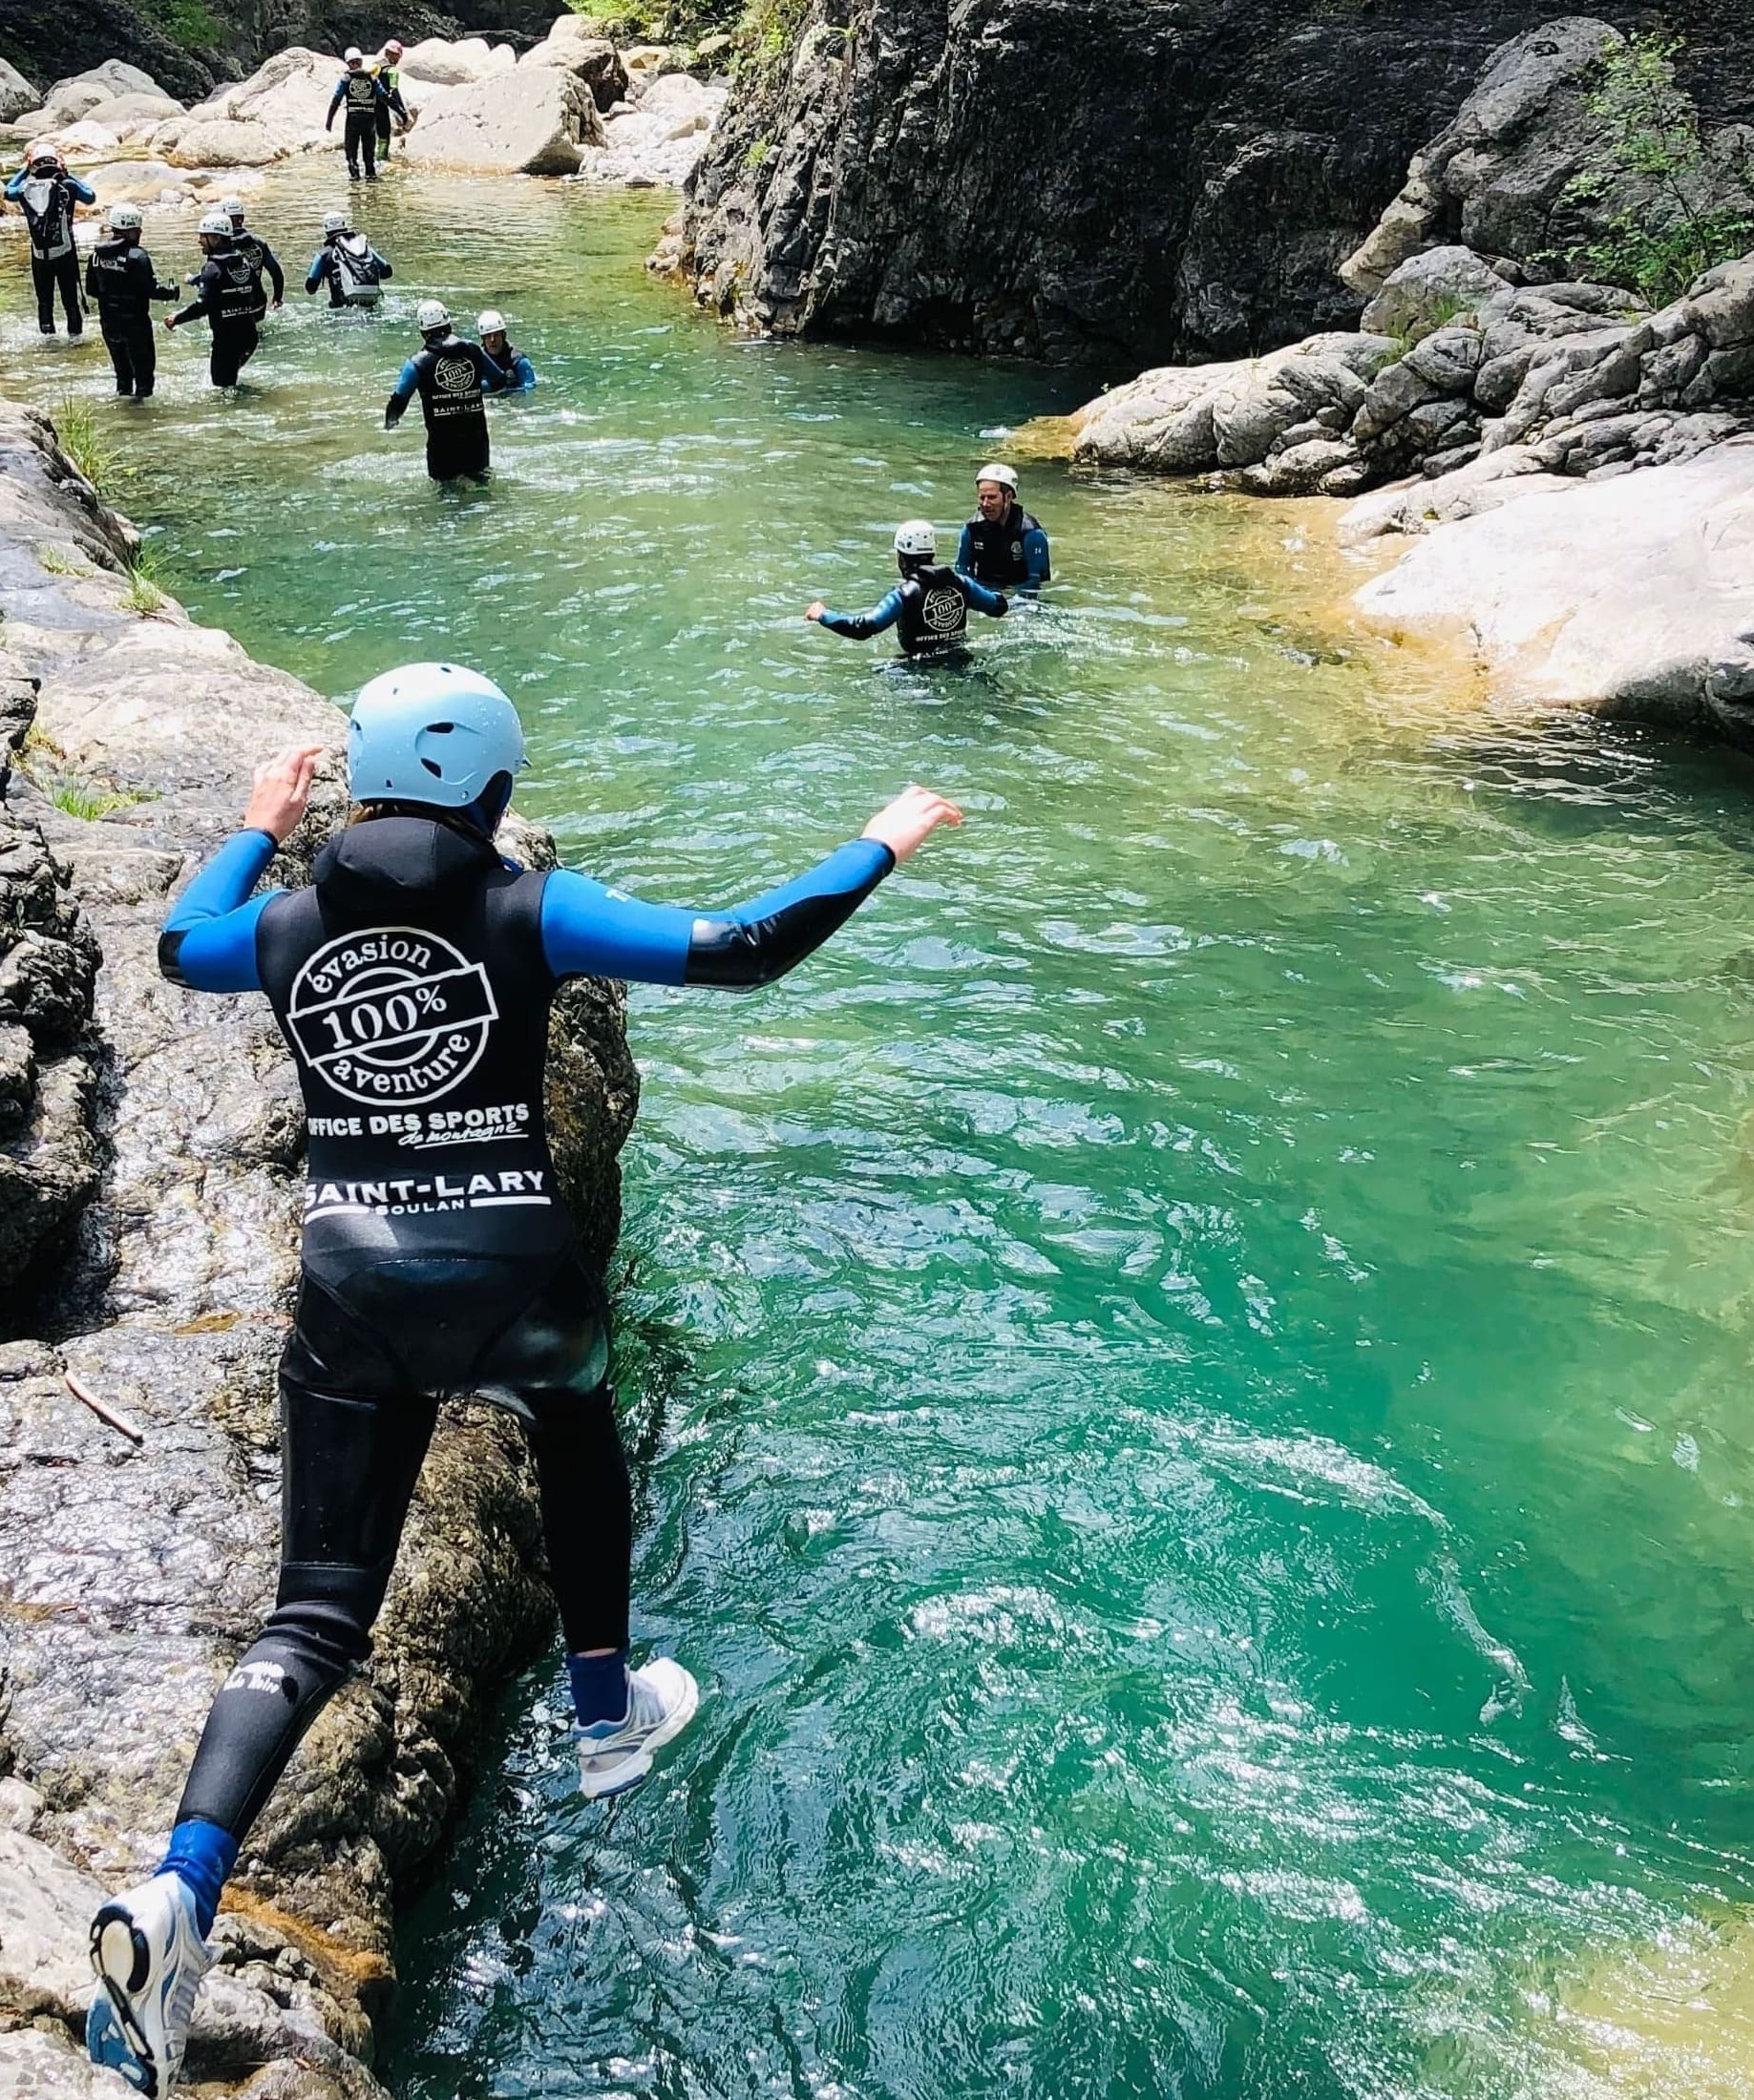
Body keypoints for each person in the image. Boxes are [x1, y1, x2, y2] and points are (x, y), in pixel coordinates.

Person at [79, 663, 963, 2098]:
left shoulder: (289, 923)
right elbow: (741, 948)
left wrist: (255, 822)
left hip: (352, 1284)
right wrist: (880, 840)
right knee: (570, 1419)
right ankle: (606, 1708)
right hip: (516, 1277)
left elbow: (182, 946)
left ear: (358, 786)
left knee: (313, 1615)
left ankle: (181, 1887)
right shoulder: (527, 908)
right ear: (491, 791)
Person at [806, 520, 1009, 660]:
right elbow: (998, 606)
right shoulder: (962, 584)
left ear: (901, 558)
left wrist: (823, 615)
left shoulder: (903, 595)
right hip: (961, 661)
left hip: (915, 669)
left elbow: (863, 627)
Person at [385, 299, 516, 483]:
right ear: (448, 324)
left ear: (423, 331)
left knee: (447, 498)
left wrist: (389, 424)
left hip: (442, 447)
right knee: (481, 490)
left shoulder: (417, 363)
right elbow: (500, 381)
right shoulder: (473, 350)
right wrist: (472, 390)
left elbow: (398, 403)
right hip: (477, 442)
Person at [164, 209, 268, 388]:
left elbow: (202, 306)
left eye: (203, 236)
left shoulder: (211, 268)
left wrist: (177, 318)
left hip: (226, 341)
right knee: (230, 381)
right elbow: (260, 298)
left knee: (222, 390)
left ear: (216, 239)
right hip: (250, 337)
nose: (199, 241)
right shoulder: (245, 263)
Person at [84, 203, 177, 399]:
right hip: (135, 323)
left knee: (122, 374)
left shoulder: (96, 256)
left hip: (109, 323)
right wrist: (170, 293)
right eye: (138, 230)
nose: (140, 233)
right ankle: (142, 417)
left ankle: (125, 411)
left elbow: (91, 290)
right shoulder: (138, 256)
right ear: (131, 230)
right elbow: (150, 290)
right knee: (144, 376)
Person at [6, 142, 95, 337]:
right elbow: (90, 196)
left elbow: (8, 191)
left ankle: (48, 340)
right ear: (57, 163)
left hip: (40, 255)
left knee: (44, 301)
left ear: (34, 164)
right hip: (65, 253)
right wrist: (67, 172)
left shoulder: (23, 188)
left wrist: (25, 170)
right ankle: (75, 339)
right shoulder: (68, 185)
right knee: (70, 301)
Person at [955, 462, 1051, 590]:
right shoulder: (971, 529)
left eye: (992, 497)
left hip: (1020, 595)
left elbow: (1035, 580)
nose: (985, 504)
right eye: (982, 497)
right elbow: (963, 572)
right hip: (983, 591)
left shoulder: (1030, 532)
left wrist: (1010, 598)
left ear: (1009, 497)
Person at [326, 49, 405, 183]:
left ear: (348, 63)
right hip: (369, 121)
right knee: (369, 155)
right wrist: (401, 113)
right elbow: (385, 97)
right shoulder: (372, 79)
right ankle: (371, 184)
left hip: (353, 120)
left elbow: (336, 100)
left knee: (351, 154)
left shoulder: (346, 79)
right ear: (361, 61)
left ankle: (355, 184)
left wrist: (329, 121)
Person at [306, 210, 391, 307]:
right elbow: (387, 272)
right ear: (344, 224)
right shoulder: (363, 247)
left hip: (341, 307)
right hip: (370, 303)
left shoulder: (323, 254)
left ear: (325, 228)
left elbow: (310, 288)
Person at [220, 196, 285, 310]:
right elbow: (277, 274)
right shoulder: (259, 243)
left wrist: (192, 279)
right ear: (243, 218)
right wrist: (277, 299)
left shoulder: (221, 246)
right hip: (257, 303)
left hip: (232, 307)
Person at [475, 309, 535, 388]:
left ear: (503, 336)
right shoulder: (477, 361)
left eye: (496, 335)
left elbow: (529, 388)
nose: (492, 340)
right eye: (488, 336)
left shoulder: (519, 361)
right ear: (483, 338)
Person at [373, 39, 411, 163]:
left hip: (366, 105)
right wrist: (403, 113)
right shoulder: (392, 71)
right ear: (394, 56)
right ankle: (381, 160)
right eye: (398, 56)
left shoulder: (375, 66)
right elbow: (394, 93)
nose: (399, 60)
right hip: (380, 107)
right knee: (384, 136)